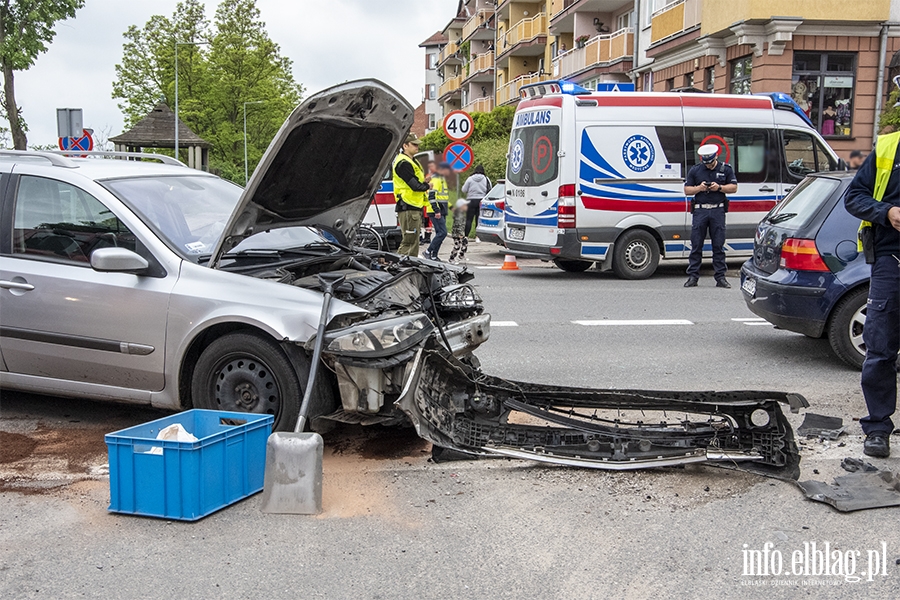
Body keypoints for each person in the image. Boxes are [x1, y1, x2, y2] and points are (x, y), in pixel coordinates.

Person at [844, 128, 900, 458]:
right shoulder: (889, 147)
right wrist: (887, 212)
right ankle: (878, 427)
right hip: (891, 261)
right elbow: (855, 197)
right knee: (879, 347)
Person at [683, 144, 738, 288]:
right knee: (696, 245)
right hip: (700, 211)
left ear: (716, 157)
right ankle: (693, 277)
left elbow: (734, 187)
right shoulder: (696, 170)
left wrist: (719, 187)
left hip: (717, 211)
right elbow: (687, 190)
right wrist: (699, 188)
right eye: (706, 163)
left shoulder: (726, 169)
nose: (708, 165)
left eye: (711, 163)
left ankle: (720, 278)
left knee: (718, 246)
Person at [392, 133, 431, 256]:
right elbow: (414, 186)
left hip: (413, 206)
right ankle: (399, 267)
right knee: (409, 241)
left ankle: (409, 267)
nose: (417, 147)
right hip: (408, 205)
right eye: (414, 144)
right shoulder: (403, 163)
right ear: (405, 146)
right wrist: (427, 186)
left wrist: (424, 182)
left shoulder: (411, 161)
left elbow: (415, 182)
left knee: (413, 241)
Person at [424, 162, 451, 261]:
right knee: (443, 233)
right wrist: (437, 210)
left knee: (440, 233)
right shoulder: (435, 180)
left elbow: (442, 197)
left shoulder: (441, 179)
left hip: (441, 209)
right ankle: (428, 251)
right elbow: (432, 197)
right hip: (436, 210)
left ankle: (434, 255)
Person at [461, 164, 491, 239]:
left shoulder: (470, 179)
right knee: (479, 219)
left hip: (471, 200)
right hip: (481, 201)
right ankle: (478, 237)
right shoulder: (486, 179)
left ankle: (466, 236)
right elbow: (490, 189)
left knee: (469, 219)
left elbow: (464, 190)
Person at [449, 198, 469, 264]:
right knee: (457, 246)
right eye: (465, 205)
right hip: (457, 233)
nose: (467, 207)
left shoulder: (461, 213)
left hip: (460, 232)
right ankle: (452, 258)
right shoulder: (459, 215)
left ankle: (461, 256)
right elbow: (458, 224)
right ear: (461, 206)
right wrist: (460, 234)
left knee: (464, 243)